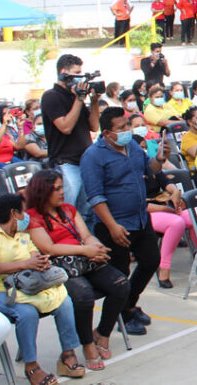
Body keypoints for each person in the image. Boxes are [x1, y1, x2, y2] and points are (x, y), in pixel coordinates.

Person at [24, 170, 128, 370]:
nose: (62, 192)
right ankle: (88, 343)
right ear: (42, 191)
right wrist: (85, 250)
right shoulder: (32, 217)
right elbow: (49, 248)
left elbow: (86, 235)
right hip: (59, 266)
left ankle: (103, 333)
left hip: (84, 259)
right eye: (56, 189)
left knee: (121, 284)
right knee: (83, 295)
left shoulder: (69, 209)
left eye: (62, 187)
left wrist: (96, 247)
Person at [81, 107, 167, 336]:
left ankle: (128, 304)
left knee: (151, 261)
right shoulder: (93, 156)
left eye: (127, 126)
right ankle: (122, 316)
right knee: (120, 273)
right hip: (116, 224)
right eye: (121, 128)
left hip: (140, 218)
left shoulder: (132, 149)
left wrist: (160, 159)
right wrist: (111, 225)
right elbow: (95, 196)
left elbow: (150, 170)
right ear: (107, 132)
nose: (127, 131)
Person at [0, 193, 85, 384]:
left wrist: (41, 263)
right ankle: (32, 366)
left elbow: (35, 255)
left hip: (30, 285)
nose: (26, 216)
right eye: (23, 212)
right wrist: (26, 264)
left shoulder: (22, 235)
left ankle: (67, 355)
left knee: (64, 301)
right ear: (13, 213)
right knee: (27, 314)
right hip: (3, 289)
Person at [41, 55, 102, 216]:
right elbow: (65, 127)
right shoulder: (51, 96)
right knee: (68, 211)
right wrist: (79, 99)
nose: (81, 79)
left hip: (85, 161)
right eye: (77, 73)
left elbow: (94, 126)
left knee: (88, 211)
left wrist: (94, 101)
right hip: (66, 164)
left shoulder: (75, 97)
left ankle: (87, 240)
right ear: (64, 73)